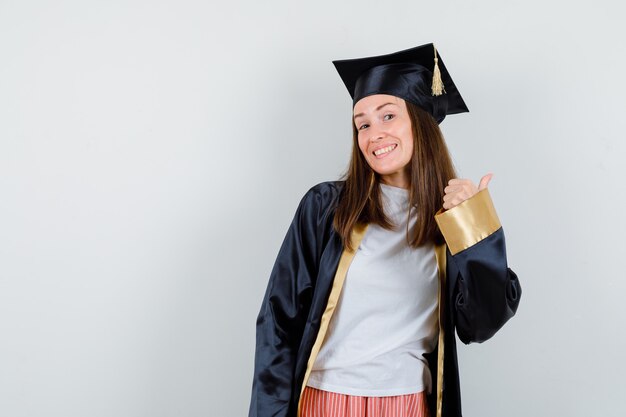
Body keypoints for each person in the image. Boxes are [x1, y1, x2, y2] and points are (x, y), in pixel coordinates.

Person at [248, 43, 522, 417]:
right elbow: (278, 321)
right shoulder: (326, 208)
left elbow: (480, 325)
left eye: (387, 116)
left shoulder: (451, 217)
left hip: (410, 404)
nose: (373, 133)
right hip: (324, 401)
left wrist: (473, 224)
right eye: (362, 124)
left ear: (421, 121)